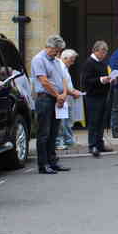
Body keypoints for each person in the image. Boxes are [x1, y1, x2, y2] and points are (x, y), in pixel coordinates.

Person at [31, 35, 70, 174]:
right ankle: (43, 164)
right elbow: (44, 81)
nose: (58, 53)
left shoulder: (56, 61)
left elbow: (63, 78)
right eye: (57, 50)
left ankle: (53, 162)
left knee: (54, 132)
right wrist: (58, 95)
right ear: (50, 47)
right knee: (44, 133)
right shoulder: (38, 60)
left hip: (57, 98)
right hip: (45, 99)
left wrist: (64, 93)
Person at [81, 41, 113, 157]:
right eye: (103, 52)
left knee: (101, 122)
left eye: (105, 52)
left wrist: (111, 79)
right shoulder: (89, 63)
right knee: (94, 122)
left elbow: (105, 76)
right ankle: (92, 145)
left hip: (103, 96)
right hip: (93, 97)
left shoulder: (102, 63)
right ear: (96, 51)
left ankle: (100, 144)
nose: (104, 55)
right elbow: (86, 81)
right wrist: (101, 80)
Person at [55, 49, 82, 149]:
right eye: (72, 60)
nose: (73, 62)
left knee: (68, 121)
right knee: (61, 122)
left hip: (68, 97)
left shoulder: (65, 68)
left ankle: (68, 140)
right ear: (65, 58)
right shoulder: (60, 68)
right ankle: (59, 142)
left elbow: (68, 84)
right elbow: (62, 84)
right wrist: (72, 92)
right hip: (62, 97)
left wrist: (74, 91)